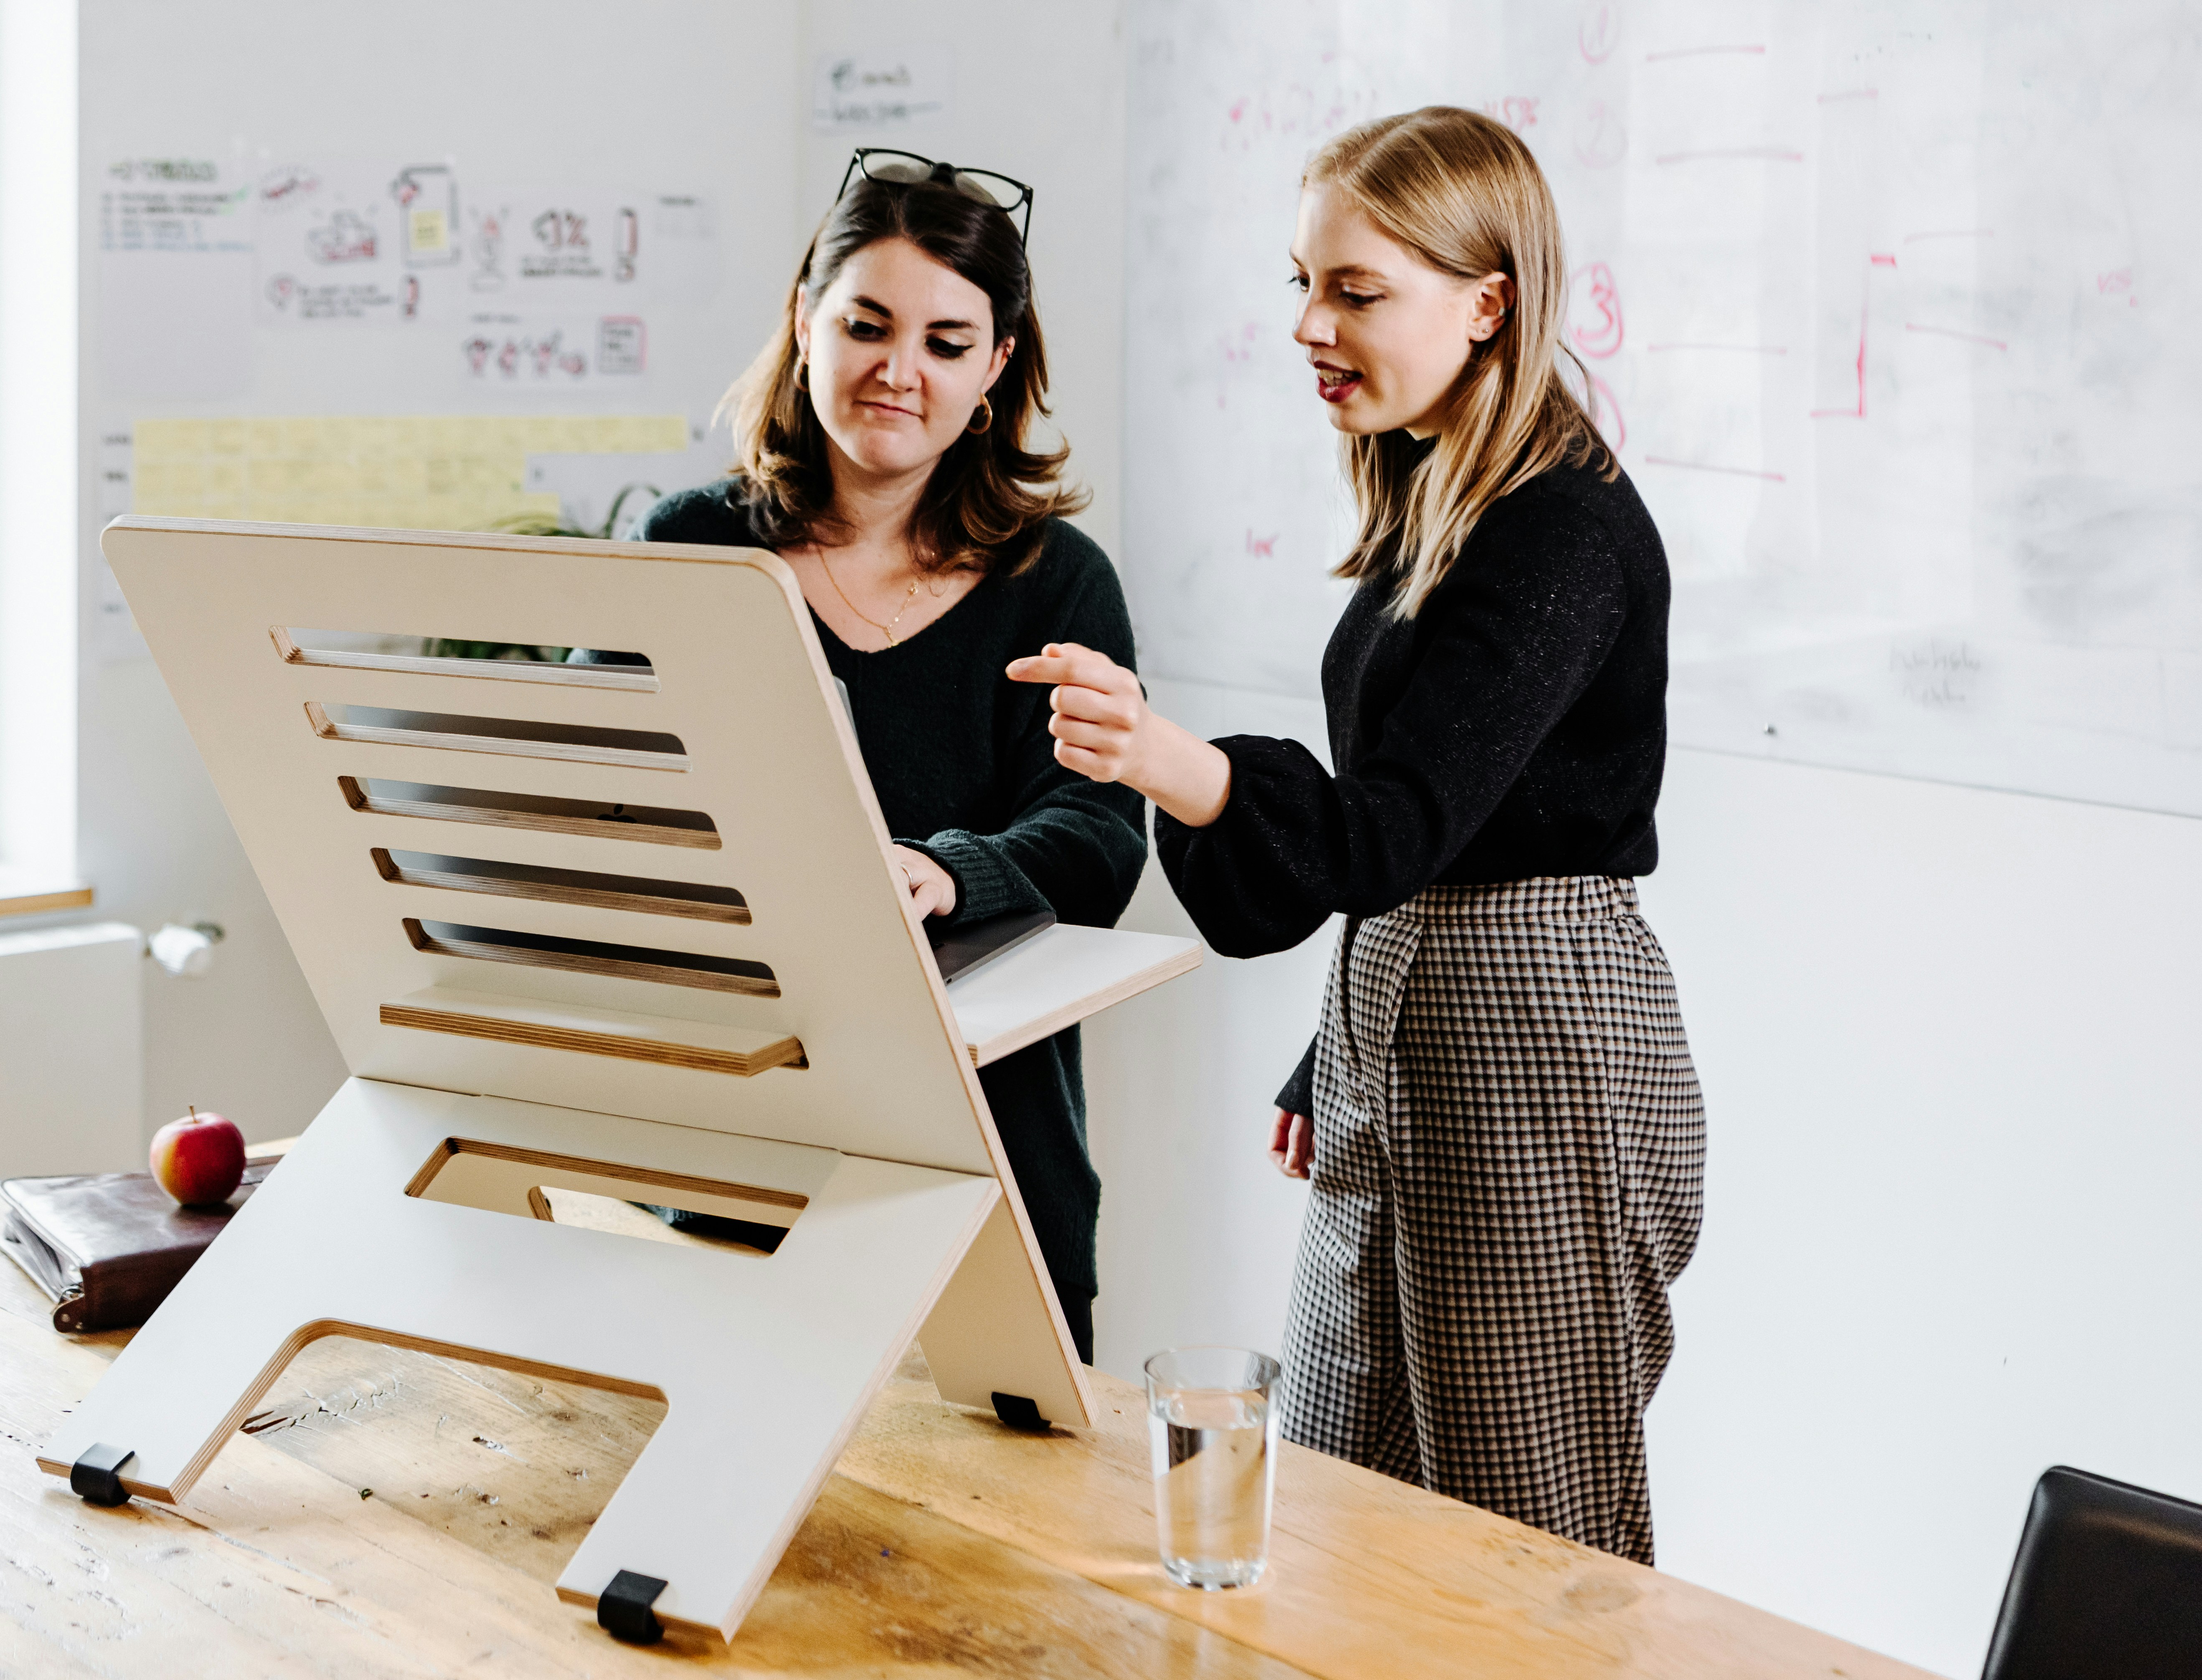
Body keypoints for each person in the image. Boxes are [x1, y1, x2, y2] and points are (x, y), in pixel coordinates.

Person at [1009, 108, 1704, 1562]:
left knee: (1531, 1528)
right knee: (1348, 1490)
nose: (1313, 326)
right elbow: (1431, 833)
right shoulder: (1441, 493)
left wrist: (1174, 763)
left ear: (1489, 300)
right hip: (1416, 1007)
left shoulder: (1558, 530)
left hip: (1536, 1030)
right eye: (1303, 285)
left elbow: (1395, 825)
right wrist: (1342, 1044)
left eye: (1357, 292)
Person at [633, 151, 1144, 1363]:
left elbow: (1104, 835)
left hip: (988, 1169)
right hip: (737, 1163)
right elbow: (618, 796)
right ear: (806, 316)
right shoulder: (691, 545)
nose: (897, 373)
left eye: (947, 342)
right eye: (865, 324)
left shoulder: (1057, 581)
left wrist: (944, 872)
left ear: (998, 366)